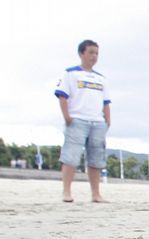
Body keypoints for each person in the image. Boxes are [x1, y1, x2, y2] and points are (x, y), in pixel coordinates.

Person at [55, 39, 110, 203]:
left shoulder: (101, 78)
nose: (94, 56)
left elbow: (106, 101)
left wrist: (107, 120)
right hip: (77, 119)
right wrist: (67, 117)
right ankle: (66, 192)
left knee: (96, 159)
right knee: (70, 157)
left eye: (97, 53)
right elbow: (62, 95)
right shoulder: (70, 73)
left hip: (97, 122)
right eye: (91, 52)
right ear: (82, 53)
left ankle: (96, 194)